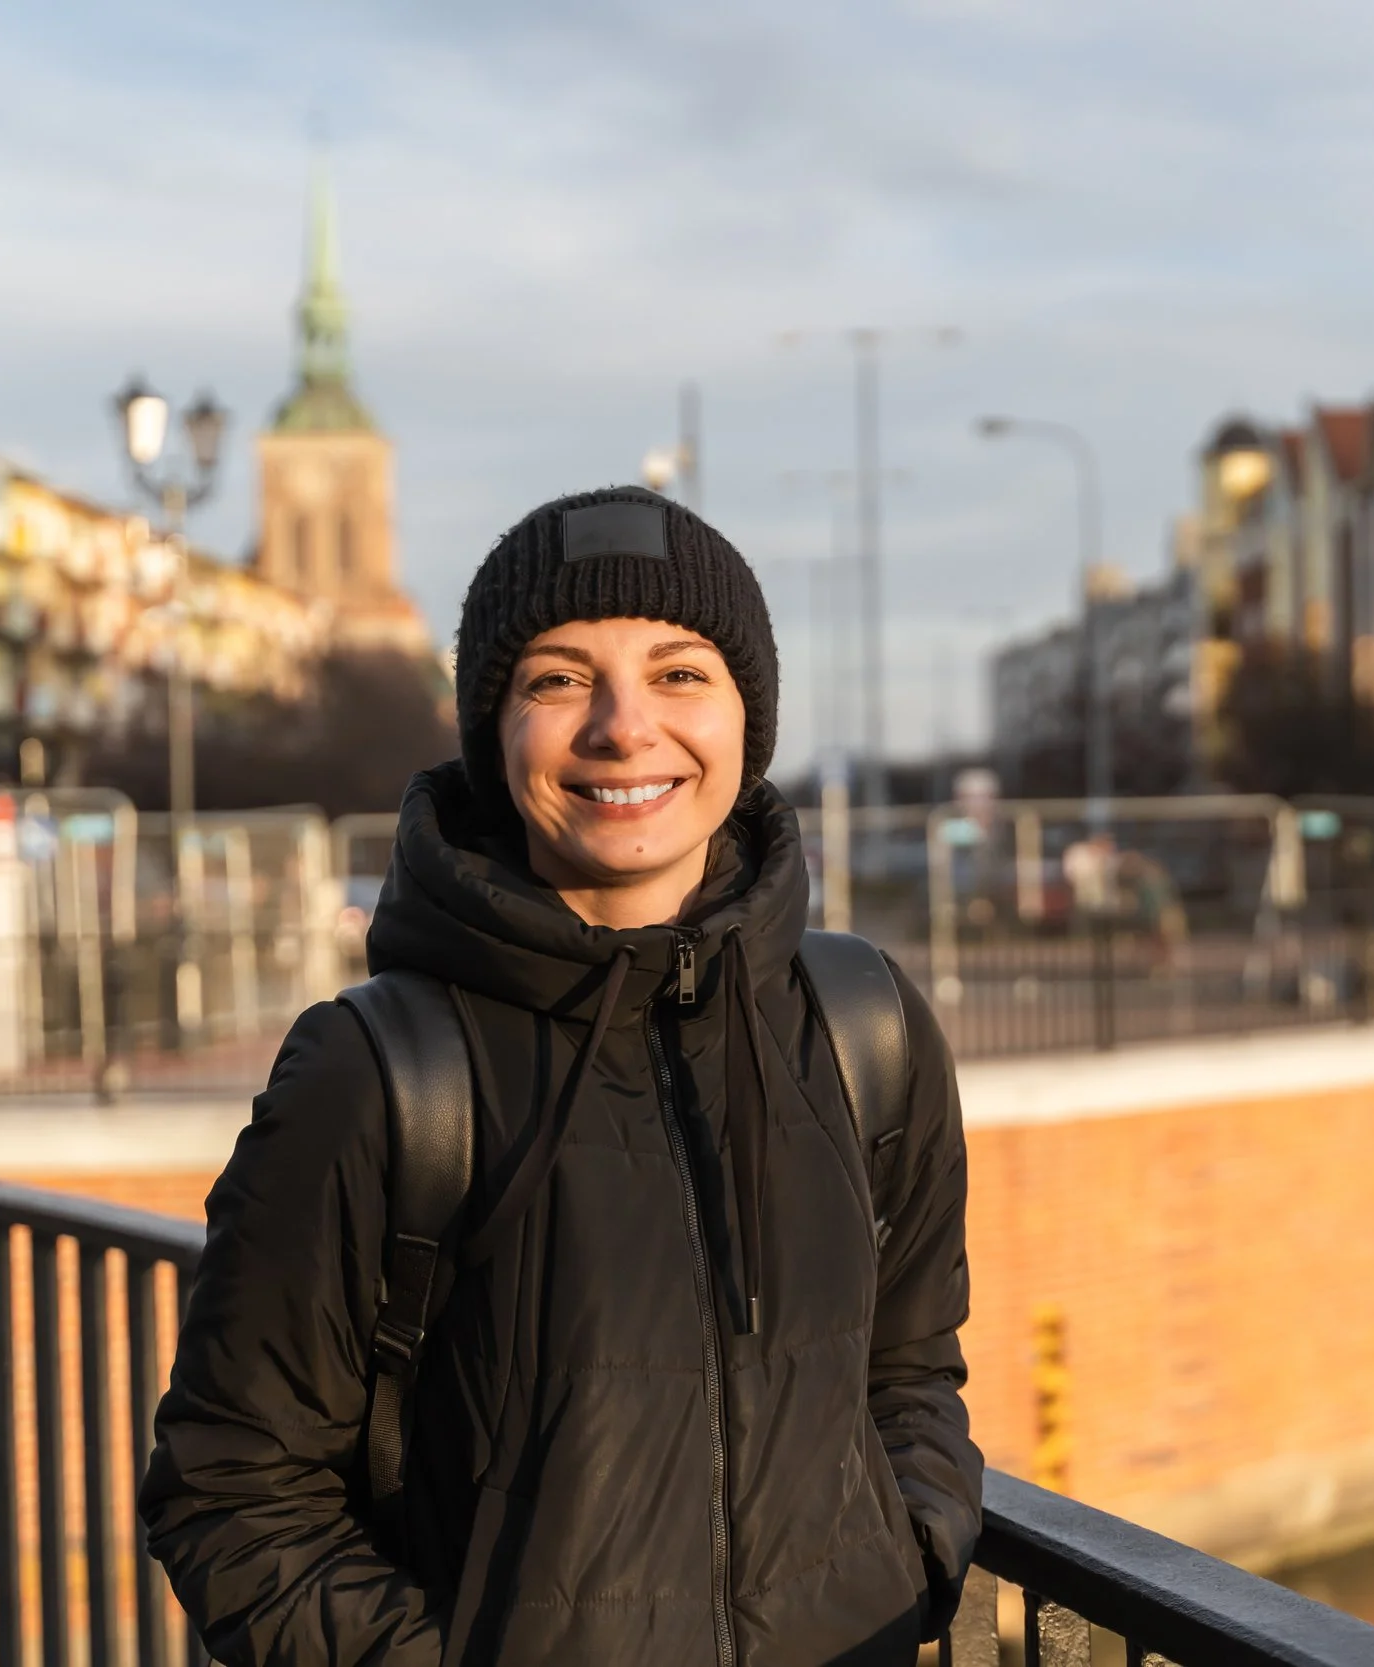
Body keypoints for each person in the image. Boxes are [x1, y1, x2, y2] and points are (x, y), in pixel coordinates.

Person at [142, 487, 983, 1665]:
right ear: (493, 732)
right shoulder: (380, 1073)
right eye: (557, 678)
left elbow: (908, 1365)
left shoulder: (861, 1026)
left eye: (681, 672)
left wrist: (908, 1557)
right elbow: (232, 1489)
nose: (624, 726)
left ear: (752, 716)